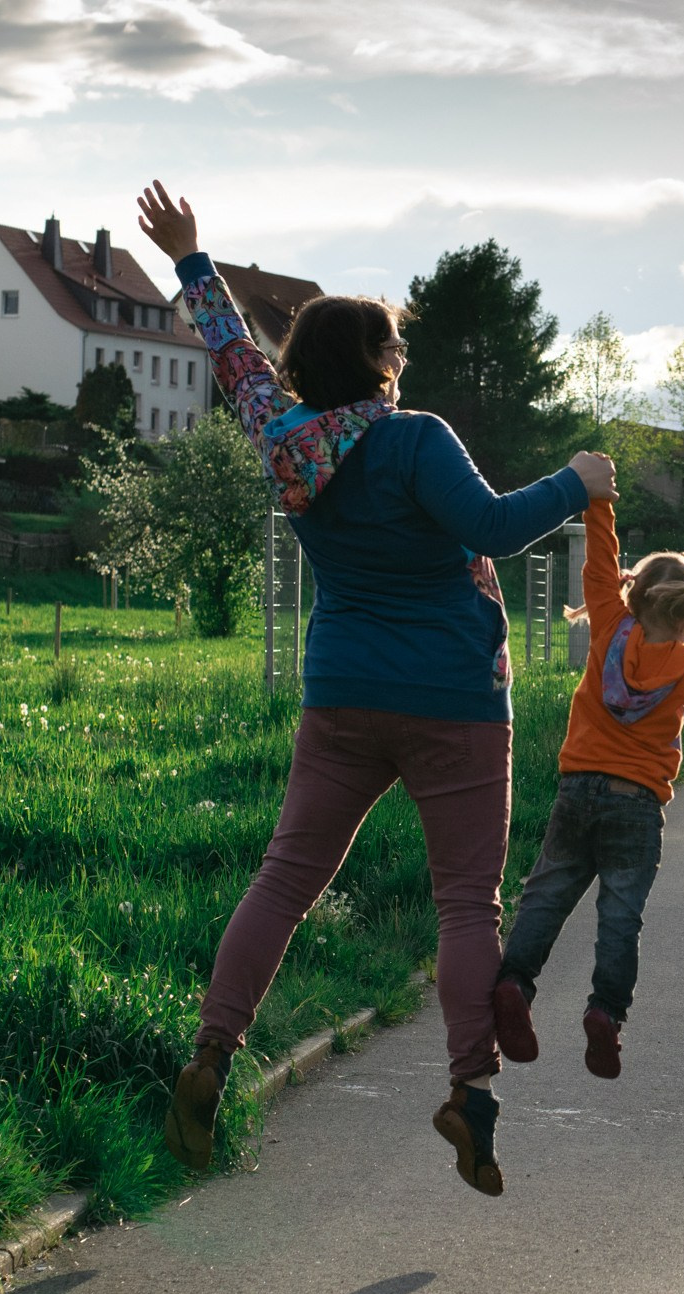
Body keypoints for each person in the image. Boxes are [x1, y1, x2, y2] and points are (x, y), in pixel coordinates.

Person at [136, 182, 615, 1197]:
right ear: (381, 363)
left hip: (342, 690)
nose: (403, 368)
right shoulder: (415, 437)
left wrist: (190, 258)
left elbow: (231, 357)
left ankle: (213, 1053)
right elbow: (490, 529)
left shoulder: (285, 437)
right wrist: (578, 479)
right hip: (452, 698)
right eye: (396, 353)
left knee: (282, 880)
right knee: (461, 905)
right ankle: (468, 1093)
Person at [490, 497, 684, 1077]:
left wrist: (600, 500)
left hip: (576, 791)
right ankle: (605, 1013)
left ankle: (514, 984)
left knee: (547, 894)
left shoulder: (608, 622)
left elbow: (598, 565)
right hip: (636, 807)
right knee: (620, 916)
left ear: (637, 595)